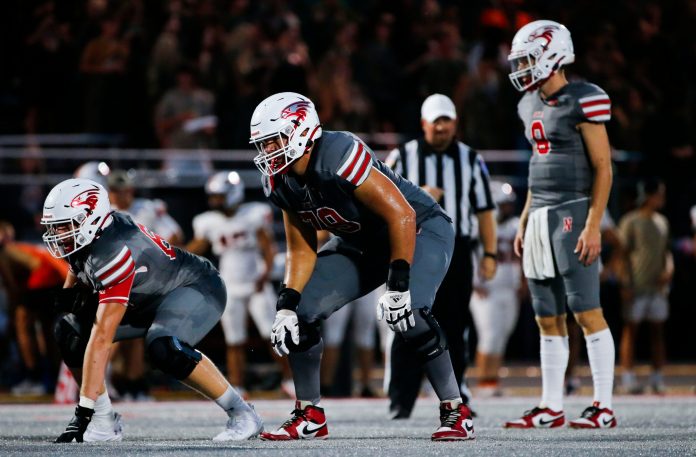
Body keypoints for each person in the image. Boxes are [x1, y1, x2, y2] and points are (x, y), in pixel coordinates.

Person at [249, 92, 474, 441]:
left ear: (299, 131)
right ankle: (309, 412)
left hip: (419, 227)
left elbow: (402, 214)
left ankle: (456, 410)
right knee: (302, 314)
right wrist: (286, 305)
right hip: (362, 243)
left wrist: (397, 284)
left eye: (272, 141)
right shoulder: (281, 181)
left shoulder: (338, 155)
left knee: (409, 310)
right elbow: (301, 249)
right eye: (262, 144)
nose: (266, 152)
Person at [42, 178, 262, 443]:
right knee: (68, 330)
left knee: (163, 346)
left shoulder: (114, 250)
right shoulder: (90, 236)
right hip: (148, 300)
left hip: (195, 287)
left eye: (65, 225)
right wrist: (69, 299)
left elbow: (102, 339)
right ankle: (104, 420)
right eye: (56, 227)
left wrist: (82, 413)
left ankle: (243, 414)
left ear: (89, 218)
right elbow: (77, 272)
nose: (59, 234)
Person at [503, 20, 617, 429]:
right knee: (546, 315)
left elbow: (603, 167)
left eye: (530, 57)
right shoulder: (527, 104)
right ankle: (551, 406)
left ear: (553, 54)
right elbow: (539, 163)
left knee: (587, 310)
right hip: (539, 216)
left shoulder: (584, 98)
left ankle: (603, 406)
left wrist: (593, 223)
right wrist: (524, 218)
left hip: (573, 210)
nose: (523, 66)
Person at [384, 93, 497, 417]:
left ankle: (456, 398)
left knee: (455, 323)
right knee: (405, 319)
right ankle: (401, 401)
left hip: (457, 249)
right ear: (424, 124)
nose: (442, 128)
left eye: (447, 121)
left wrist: (489, 253)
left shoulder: (470, 158)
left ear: (455, 123)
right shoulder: (402, 156)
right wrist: (417, 196)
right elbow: (380, 196)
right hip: (412, 247)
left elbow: (485, 210)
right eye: (437, 122)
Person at [187, 170, 292, 396]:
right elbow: (198, 246)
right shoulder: (209, 221)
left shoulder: (253, 214)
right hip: (230, 285)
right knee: (234, 340)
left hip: (256, 282)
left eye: (219, 196)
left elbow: (268, 248)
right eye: (214, 196)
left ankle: (290, 380)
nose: (215, 200)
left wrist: (263, 276)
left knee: (272, 334)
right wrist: (175, 255)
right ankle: (237, 385)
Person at [0, 221, 68, 395]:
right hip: (59, 280)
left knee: (22, 322)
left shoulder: (7, 252)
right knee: (48, 330)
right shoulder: (24, 247)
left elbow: (16, 286)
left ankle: (34, 376)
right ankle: (52, 377)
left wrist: (16, 309)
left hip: (45, 280)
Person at [618, 178, 671, 394]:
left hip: (657, 287)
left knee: (657, 331)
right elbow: (622, 254)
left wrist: (669, 268)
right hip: (637, 285)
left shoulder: (662, 222)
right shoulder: (631, 221)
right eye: (659, 194)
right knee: (631, 330)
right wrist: (625, 283)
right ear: (649, 196)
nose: (662, 199)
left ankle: (657, 377)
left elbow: (666, 251)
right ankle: (628, 378)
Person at [470, 181, 522, 397]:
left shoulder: (515, 225)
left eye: (509, 205)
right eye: (503, 204)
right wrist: (474, 282)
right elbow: (467, 255)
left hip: (509, 289)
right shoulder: (477, 225)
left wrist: (522, 282)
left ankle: (492, 381)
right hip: (486, 289)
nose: (508, 209)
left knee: (502, 335)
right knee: (489, 336)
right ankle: (483, 382)